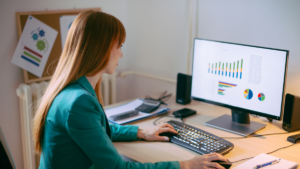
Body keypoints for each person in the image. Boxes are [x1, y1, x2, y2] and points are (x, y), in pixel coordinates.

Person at [33, 10, 228, 169]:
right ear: (103, 48)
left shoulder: (71, 90)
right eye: (119, 46)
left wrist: (141, 132)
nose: (121, 54)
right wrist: (186, 165)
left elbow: (97, 131)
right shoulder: (78, 102)